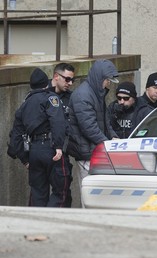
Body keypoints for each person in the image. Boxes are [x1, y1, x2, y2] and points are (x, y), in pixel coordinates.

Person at [11, 68, 70, 207]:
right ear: (46, 84)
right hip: (51, 149)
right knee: (60, 190)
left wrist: (25, 159)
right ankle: (51, 223)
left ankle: (35, 224)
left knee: (37, 192)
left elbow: (15, 134)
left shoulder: (24, 104)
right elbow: (58, 122)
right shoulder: (51, 98)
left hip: (34, 151)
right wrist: (58, 146)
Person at [68, 59, 119, 190]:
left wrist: (112, 136)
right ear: (100, 78)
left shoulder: (95, 93)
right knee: (90, 193)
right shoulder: (83, 95)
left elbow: (105, 121)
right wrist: (106, 143)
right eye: (107, 80)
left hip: (94, 150)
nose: (108, 84)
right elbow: (89, 127)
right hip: (86, 152)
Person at [49, 62, 76, 207]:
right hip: (43, 149)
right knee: (39, 194)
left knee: (64, 194)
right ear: (56, 76)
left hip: (62, 152)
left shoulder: (71, 98)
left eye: (72, 80)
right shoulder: (41, 94)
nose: (70, 83)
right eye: (67, 79)